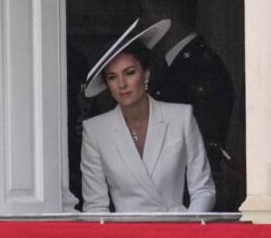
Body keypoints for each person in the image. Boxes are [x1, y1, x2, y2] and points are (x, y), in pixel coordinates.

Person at [81, 19, 216, 212]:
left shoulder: (181, 118)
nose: (122, 84)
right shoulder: (95, 130)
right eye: (112, 77)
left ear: (146, 75)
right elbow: (95, 206)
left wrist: (188, 230)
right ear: (107, 85)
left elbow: (203, 190)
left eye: (129, 73)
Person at [139, 0, 241, 211]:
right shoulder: (172, 66)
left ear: (167, 16)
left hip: (190, 198)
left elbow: (202, 140)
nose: (141, 24)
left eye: (144, 13)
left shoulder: (200, 67)